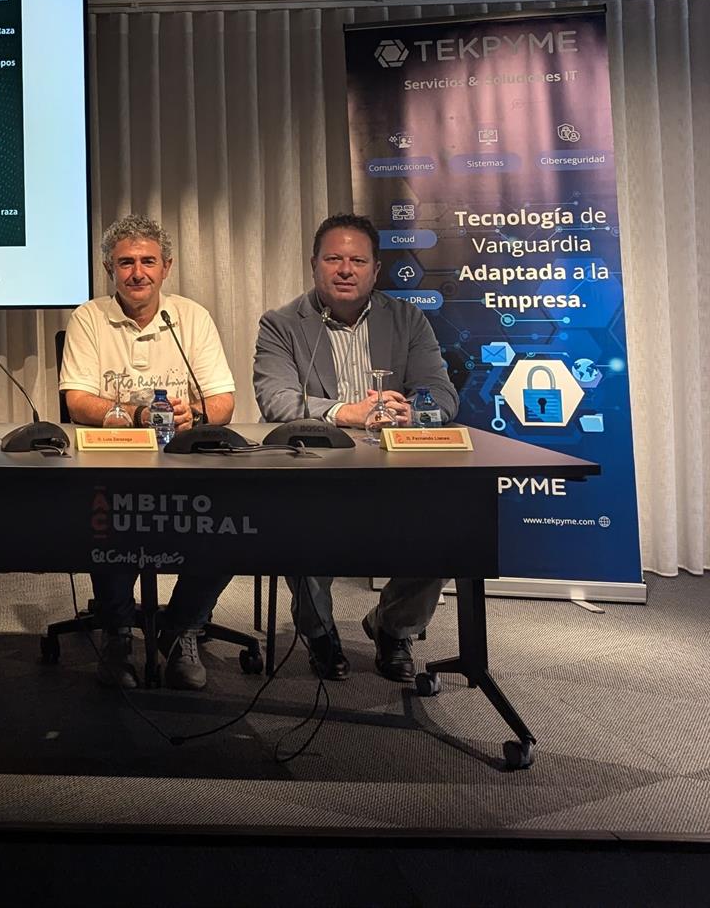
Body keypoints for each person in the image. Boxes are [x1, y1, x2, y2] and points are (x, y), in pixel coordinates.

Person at [253, 212, 459, 683]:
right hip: (315, 468)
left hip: (397, 469)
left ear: (375, 269)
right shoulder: (281, 324)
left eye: (358, 261)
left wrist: (413, 411)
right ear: (314, 265)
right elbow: (276, 400)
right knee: (294, 520)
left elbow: (443, 395)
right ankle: (319, 631)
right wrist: (346, 412)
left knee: (451, 526)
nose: (345, 270)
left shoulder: (407, 320)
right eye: (333, 259)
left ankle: (393, 626)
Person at [59, 214, 237, 691]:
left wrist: (192, 413)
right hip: (114, 461)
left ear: (166, 268)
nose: (137, 273)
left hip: (185, 464)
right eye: (125, 263)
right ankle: (117, 631)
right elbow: (77, 401)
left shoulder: (191, 317)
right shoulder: (88, 317)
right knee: (107, 518)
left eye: (148, 262)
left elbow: (223, 401)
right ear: (109, 269)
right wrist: (138, 415)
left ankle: (182, 628)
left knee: (234, 520)